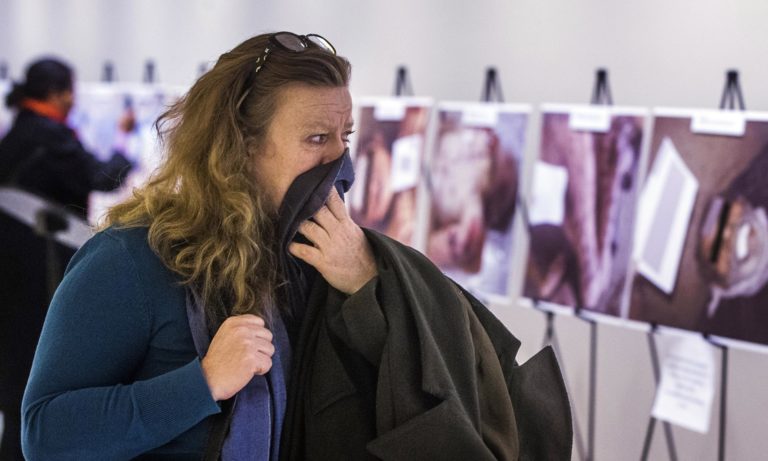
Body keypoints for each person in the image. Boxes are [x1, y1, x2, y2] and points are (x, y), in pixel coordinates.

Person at [22, 32, 572, 460]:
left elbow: (396, 403)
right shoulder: (132, 260)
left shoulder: (317, 258)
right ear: (239, 146)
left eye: (345, 137)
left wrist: (366, 288)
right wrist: (203, 383)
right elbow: (45, 434)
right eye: (316, 139)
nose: (341, 163)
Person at [0, 57, 134, 461]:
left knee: (15, 360)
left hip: (13, 267)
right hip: (42, 268)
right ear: (59, 93)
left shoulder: (17, 135)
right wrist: (124, 140)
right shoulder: (52, 140)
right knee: (38, 358)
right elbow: (101, 174)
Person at [0, 57, 135, 221]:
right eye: (71, 92)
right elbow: (102, 178)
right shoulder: (50, 135)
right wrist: (122, 136)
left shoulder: (22, 126)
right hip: (45, 242)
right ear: (54, 94)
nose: (73, 101)